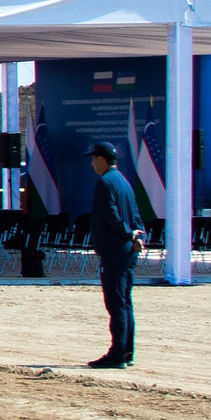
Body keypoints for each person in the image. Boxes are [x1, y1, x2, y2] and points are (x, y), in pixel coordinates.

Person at [88, 140, 145, 368]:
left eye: (93, 159)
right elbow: (135, 213)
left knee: (116, 304)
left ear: (101, 159)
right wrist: (139, 236)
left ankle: (117, 353)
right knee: (125, 301)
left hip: (115, 250)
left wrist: (130, 234)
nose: (92, 164)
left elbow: (112, 216)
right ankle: (127, 351)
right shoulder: (123, 181)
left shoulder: (105, 183)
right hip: (127, 250)